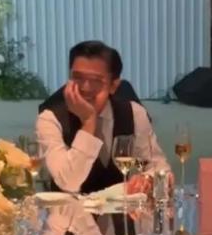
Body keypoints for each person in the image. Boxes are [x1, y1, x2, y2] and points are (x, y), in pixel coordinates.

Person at [37, 41, 170, 194]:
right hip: (69, 208)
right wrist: (88, 122)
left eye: (96, 80)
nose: (85, 88)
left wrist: (147, 179)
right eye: (78, 78)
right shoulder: (50, 118)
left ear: (113, 85)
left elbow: (160, 167)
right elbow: (68, 182)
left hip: (119, 207)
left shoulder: (133, 112)